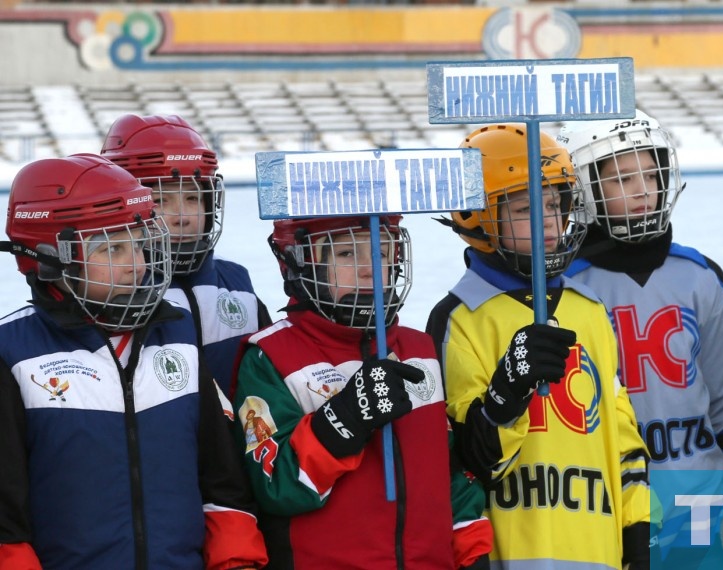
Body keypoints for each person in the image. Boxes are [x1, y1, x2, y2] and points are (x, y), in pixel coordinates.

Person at [0, 154, 267, 569]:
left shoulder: (178, 336)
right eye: (113, 248)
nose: (138, 264)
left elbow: (222, 483)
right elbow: (6, 524)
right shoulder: (12, 354)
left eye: (141, 244)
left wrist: (237, 563)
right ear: (49, 258)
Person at [426, 123, 653, 569]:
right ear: (476, 217)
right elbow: (469, 466)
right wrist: (505, 395)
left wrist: (639, 532)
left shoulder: (589, 309)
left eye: (555, 204)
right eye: (526, 208)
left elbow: (625, 445)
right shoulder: (459, 318)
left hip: (599, 555)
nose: (550, 221)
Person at [559, 110, 723, 569]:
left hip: (704, 504)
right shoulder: (565, 289)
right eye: (620, 179)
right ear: (583, 188)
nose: (642, 190)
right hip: (610, 509)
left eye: (650, 173)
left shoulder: (699, 277)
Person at [231, 214, 492, 568]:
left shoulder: (419, 349)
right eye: (345, 254)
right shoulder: (271, 356)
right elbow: (278, 487)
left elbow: (449, 473)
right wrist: (344, 419)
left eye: (382, 252)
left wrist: (472, 551)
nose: (371, 269)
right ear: (299, 262)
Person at [101, 114, 271, 397]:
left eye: (193, 198)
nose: (182, 217)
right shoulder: (111, 290)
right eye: (160, 201)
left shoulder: (237, 282)